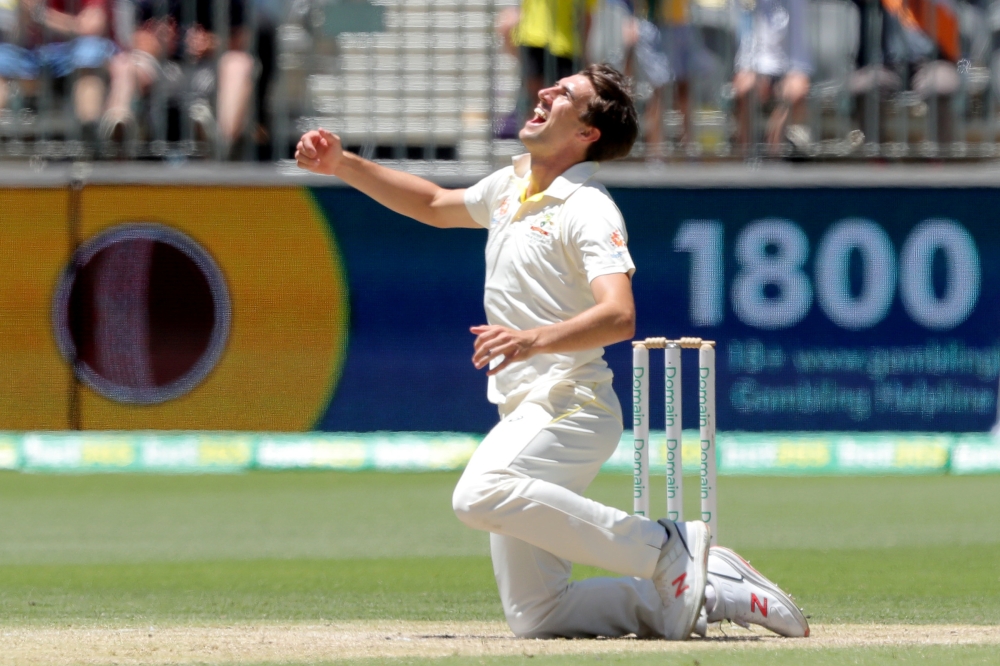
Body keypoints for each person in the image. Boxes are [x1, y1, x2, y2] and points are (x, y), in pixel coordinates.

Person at [295, 63, 808, 640]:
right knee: (539, 614)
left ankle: (669, 547)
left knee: (478, 494)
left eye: (564, 94)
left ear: (587, 132)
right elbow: (435, 204)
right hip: (523, 409)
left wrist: (531, 338)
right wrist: (343, 165)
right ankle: (711, 591)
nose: (543, 91)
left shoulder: (587, 206)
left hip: (571, 403)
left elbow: (619, 315)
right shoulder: (510, 186)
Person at [0, 0, 116, 142]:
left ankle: (89, 130)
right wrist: (25, 14)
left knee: (89, 51)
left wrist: (43, 15)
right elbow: (18, 33)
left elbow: (91, 27)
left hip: (69, 52)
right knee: (2, 57)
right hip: (30, 53)